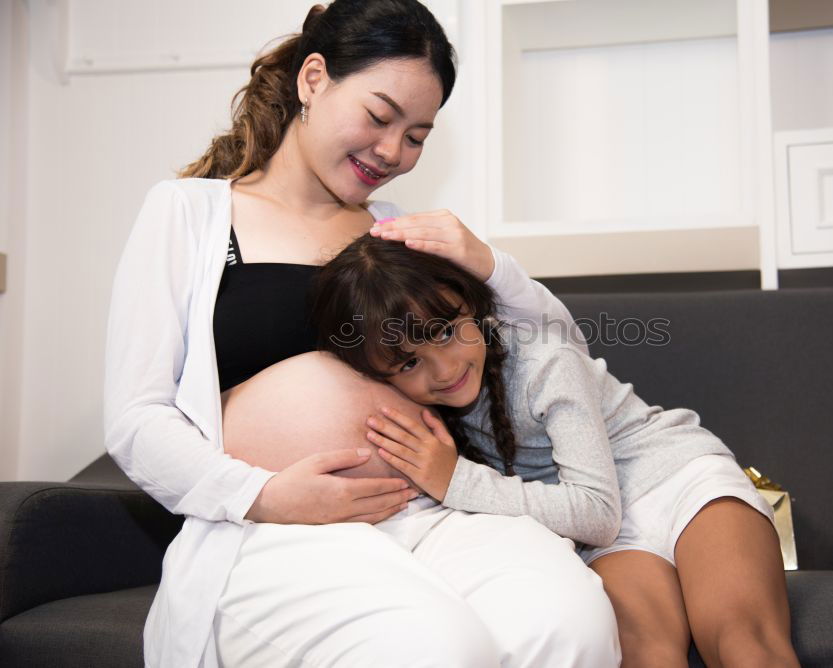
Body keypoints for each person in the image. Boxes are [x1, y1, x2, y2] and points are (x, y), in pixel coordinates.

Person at [103, 1, 620, 666]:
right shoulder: (192, 214)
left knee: (571, 620)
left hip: (427, 510)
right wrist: (262, 494)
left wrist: (491, 265)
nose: (392, 151)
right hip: (271, 527)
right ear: (313, 79)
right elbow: (134, 417)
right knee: (436, 647)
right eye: (380, 117)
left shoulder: (395, 227)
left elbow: (550, 346)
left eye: (417, 135)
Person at [310, 233, 801, 668]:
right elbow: (602, 528)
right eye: (409, 362)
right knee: (647, 656)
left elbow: (595, 510)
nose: (442, 370)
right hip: (607, 538)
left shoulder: (545, 359)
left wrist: (455, 479)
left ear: (470, 301)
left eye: (444, 331)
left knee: (743, 645)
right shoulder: (423, 410)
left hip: (676, 481)